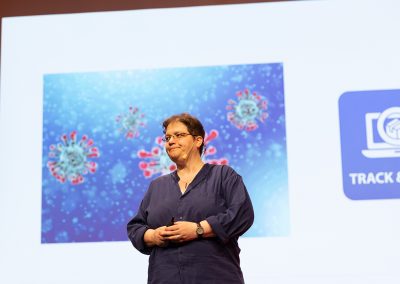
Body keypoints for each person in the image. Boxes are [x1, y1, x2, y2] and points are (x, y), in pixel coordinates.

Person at [127, 113, 254, 284]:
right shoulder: (157, 186)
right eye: (167, 138)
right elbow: (136, 227)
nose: (170, 141)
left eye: (178, 135)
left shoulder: (224, 175)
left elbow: (242, 214)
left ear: (198, 140)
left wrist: (198, 230)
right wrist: (154, 235)